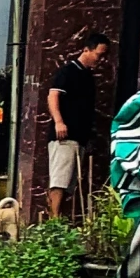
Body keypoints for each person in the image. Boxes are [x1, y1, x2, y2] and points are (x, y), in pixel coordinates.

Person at [44, 35, 110, 221]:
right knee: (60, 180)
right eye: (99, 54)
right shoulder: (68, 71)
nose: (101, 59)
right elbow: (53, 95)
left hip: (79, 136)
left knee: (70, 183)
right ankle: (53, 220)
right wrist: (59, 121)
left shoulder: (87, 75)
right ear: (87, 49)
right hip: (65, 135)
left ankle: (60, 218)